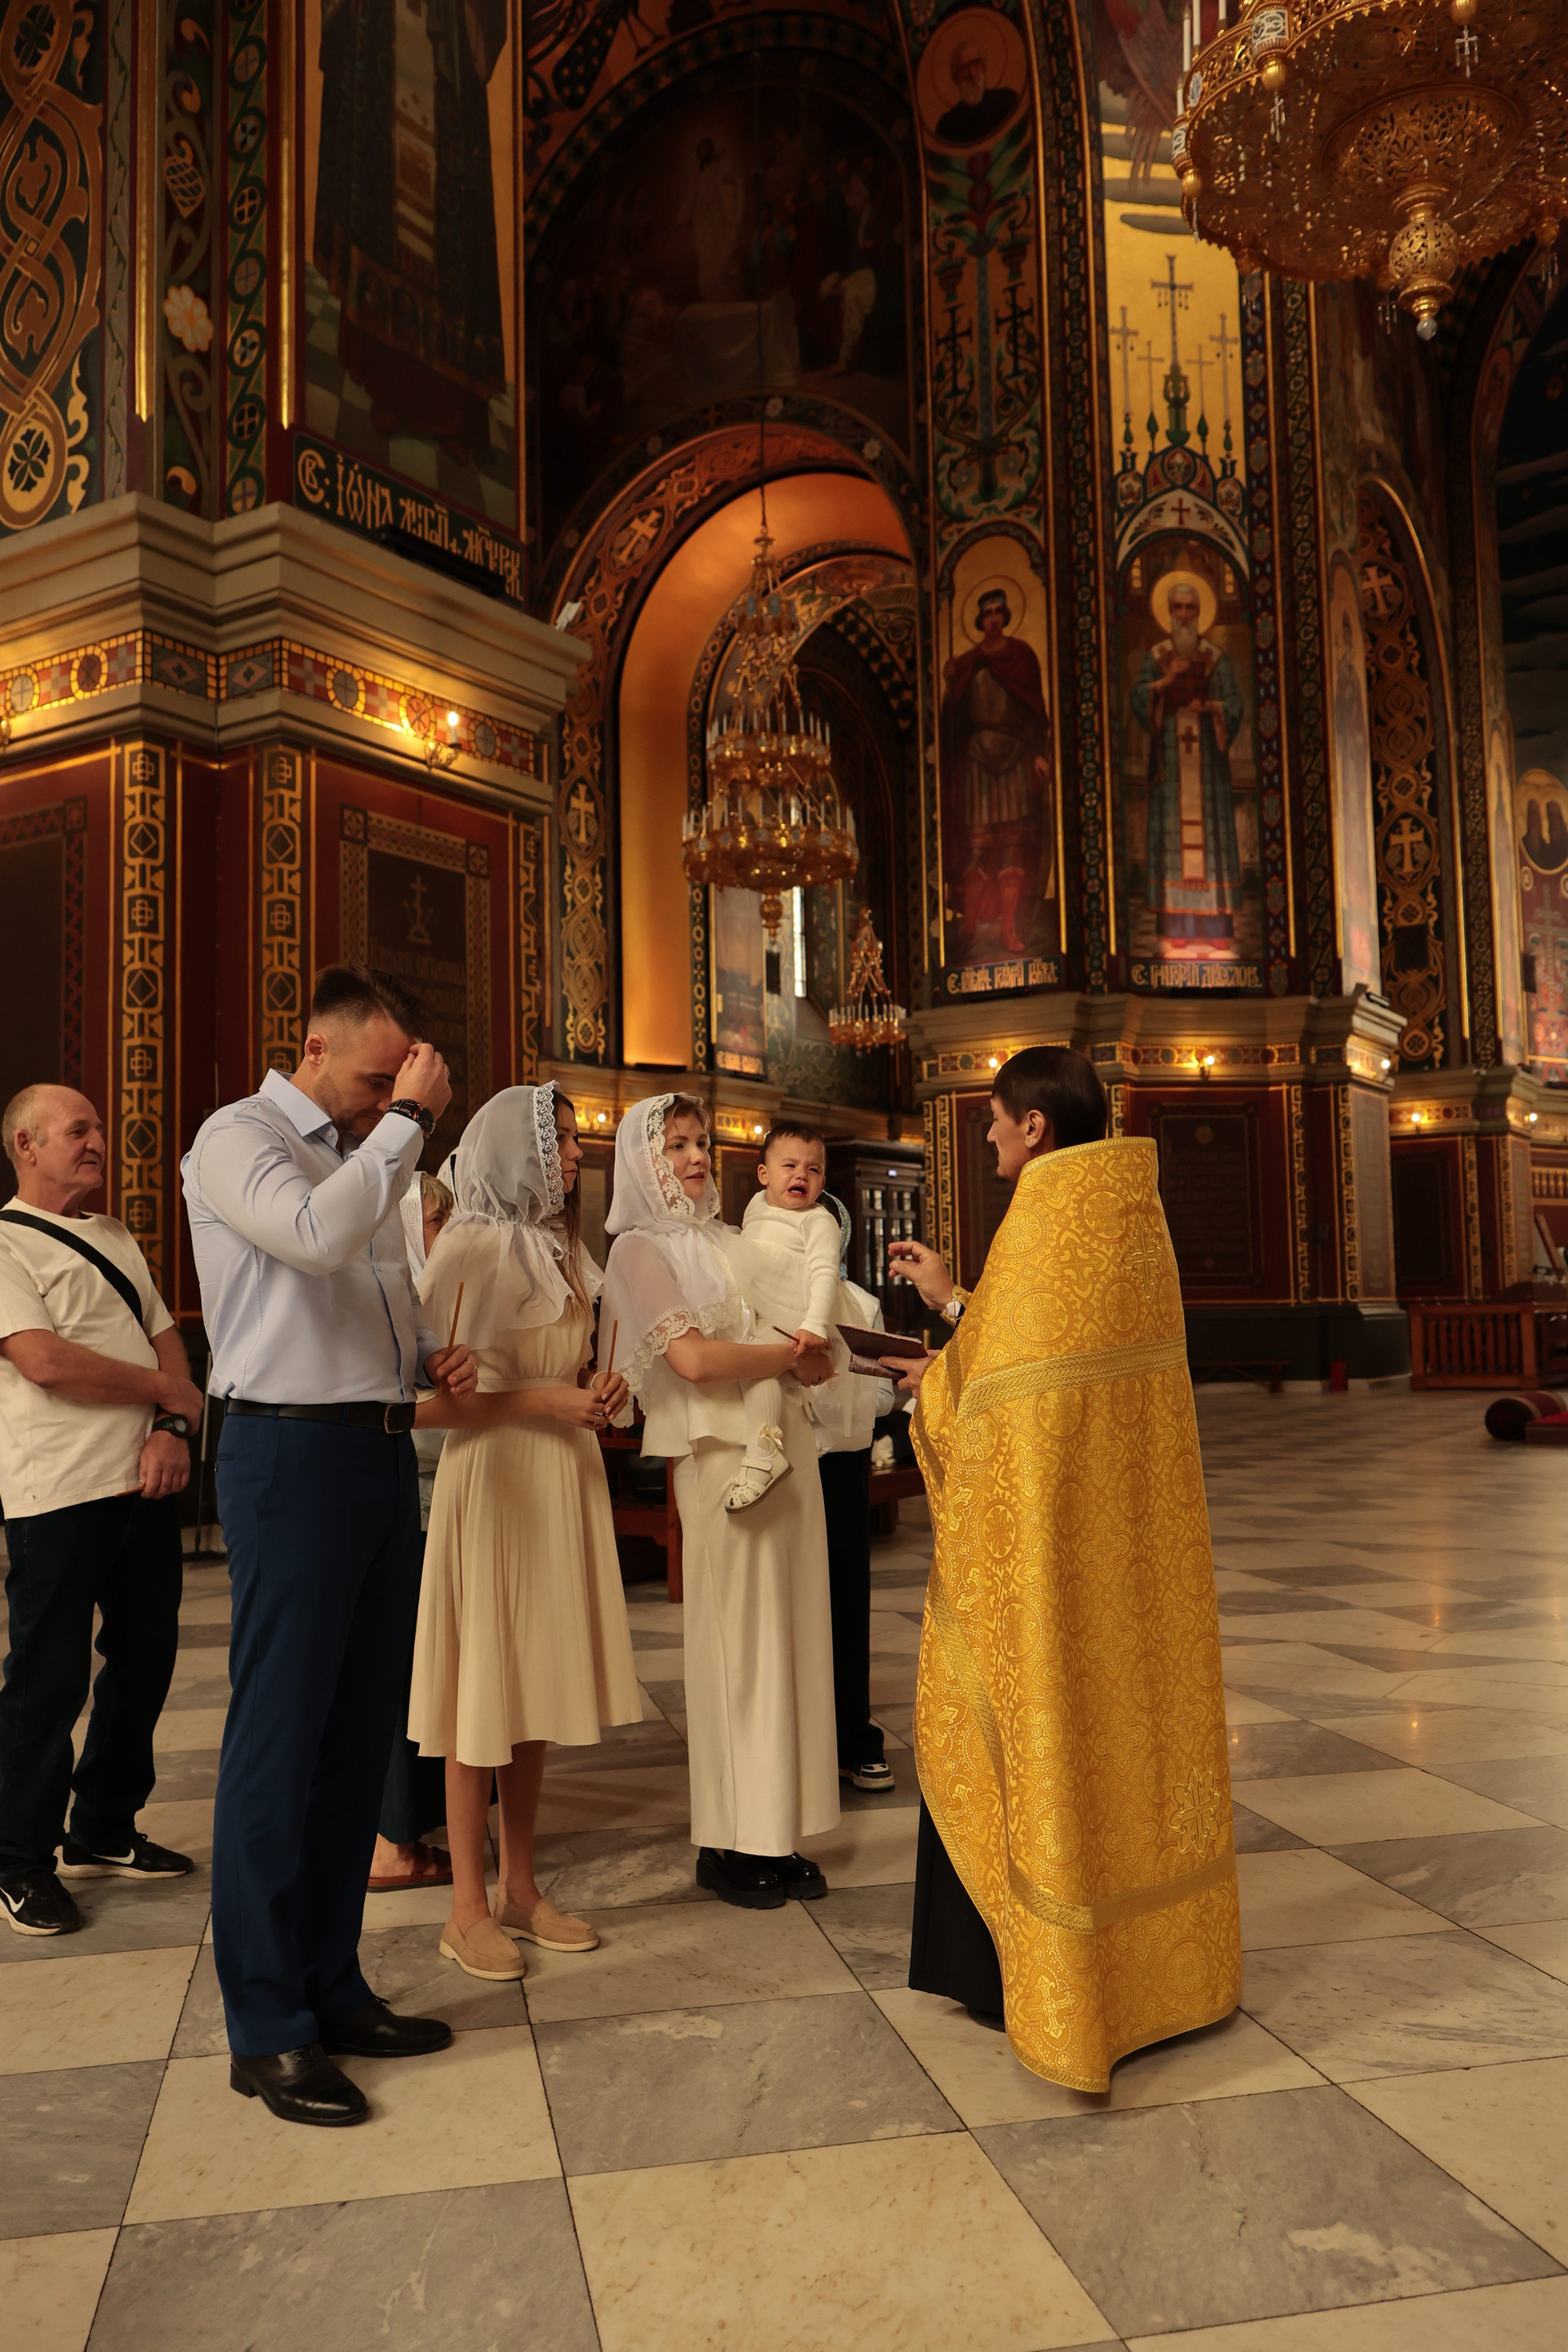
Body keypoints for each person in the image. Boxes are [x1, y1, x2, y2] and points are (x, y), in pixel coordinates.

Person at [886, 1045, 1240, 2092]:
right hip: (1129, 1547)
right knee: (1127, 1735)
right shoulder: (1129, 1210)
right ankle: (1160, 1972)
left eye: (996, 1119)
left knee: (1039, 1723)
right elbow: (1034, 1367)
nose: (991, 1135)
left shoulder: (1043, 1213)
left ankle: (1032, 1978)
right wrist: (955, 1313)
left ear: (1033, 1126)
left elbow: (998, 1407)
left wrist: (931, 1390)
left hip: (1044, 1559)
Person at [183, 964, 478, 2129]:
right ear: (313, 1047)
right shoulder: (238, 1137)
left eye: (398, 1084)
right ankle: (266, 2025)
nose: (384, 1098)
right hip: (287, 1455)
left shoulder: (372, 1155)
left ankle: (332, 1984)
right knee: (280, 1740)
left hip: (375, 1451)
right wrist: (407, 1125)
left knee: (358, 1739)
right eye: (373, 1078)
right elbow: (312, 1241)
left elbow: (372, 1292)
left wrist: (424, 1356)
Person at [408, 1082, 640, 1983]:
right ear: (518, 1149)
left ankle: (519, 1887)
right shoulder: (467, 1247)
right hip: (495, 1481)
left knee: (533, 1685)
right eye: (564, 1140)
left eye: (576, 1142)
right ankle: (465, 1909)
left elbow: (570, 1366)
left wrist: (600, 1389)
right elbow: (421, 1408)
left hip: (560, 1477)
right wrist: (545, 1400)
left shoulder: (563, 1247)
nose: (577, 1154)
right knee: (482, 1695)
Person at [599, 1094, 839, 1909]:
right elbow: (696, 1363)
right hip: (719, 1456)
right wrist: (788, 1355)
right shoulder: (637, 1250)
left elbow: (795, 1322)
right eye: (676, 1146)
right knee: (739, 1652)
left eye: (701, 1142)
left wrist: (816, 1350)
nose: (698, 1157)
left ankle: (780, 1828)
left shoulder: (730, 1239)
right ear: (645, 1162)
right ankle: (728, 1840)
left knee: (792, 1641)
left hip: (785, 1448)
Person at [0, 1086, 203, 1936]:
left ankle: (103, 1827)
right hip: (57, 1490)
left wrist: (169, 1428)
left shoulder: (115, 1235)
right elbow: (44, 1361)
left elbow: (167, 1339)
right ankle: (17, 1860)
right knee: (48, 1678)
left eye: (98, 1129)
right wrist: (168, 1393)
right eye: (76, 1130)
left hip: (144, 1480)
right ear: (26, 1144)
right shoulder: (5, 1242)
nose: (97, 1141)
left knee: (146, 1661)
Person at [368, 1171, 457, 1895]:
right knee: (400, 1670)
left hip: (447, 1495)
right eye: (433, 1220)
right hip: (410, 1498)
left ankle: (416, 1826)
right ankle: (390, 1842)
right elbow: (391, 1409)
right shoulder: (391, 1298)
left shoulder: (438, 1291)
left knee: (433, 1668)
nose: (445, 1232)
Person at [813, 1192, 896, 1794]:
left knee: (844, 1599)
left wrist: (842, 1388)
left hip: (840, 1463)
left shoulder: (862, 1304)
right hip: (776, 1457)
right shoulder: (756, 1284)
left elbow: (887, 1393)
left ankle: (851, 1736)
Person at [722, 1122, 839, 1510]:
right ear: (764, 1174)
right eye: (789, 1166)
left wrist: (814, 1325)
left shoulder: (818, 1219)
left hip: (799, 1316)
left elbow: (825, 1274)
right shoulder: (755, 1207)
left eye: (813, 1169)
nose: (801, 1175)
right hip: (764, 1317)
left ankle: (763, 1456)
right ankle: (767, 1448)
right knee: (756, 1371)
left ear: (822, 1182)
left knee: (756, 1367)